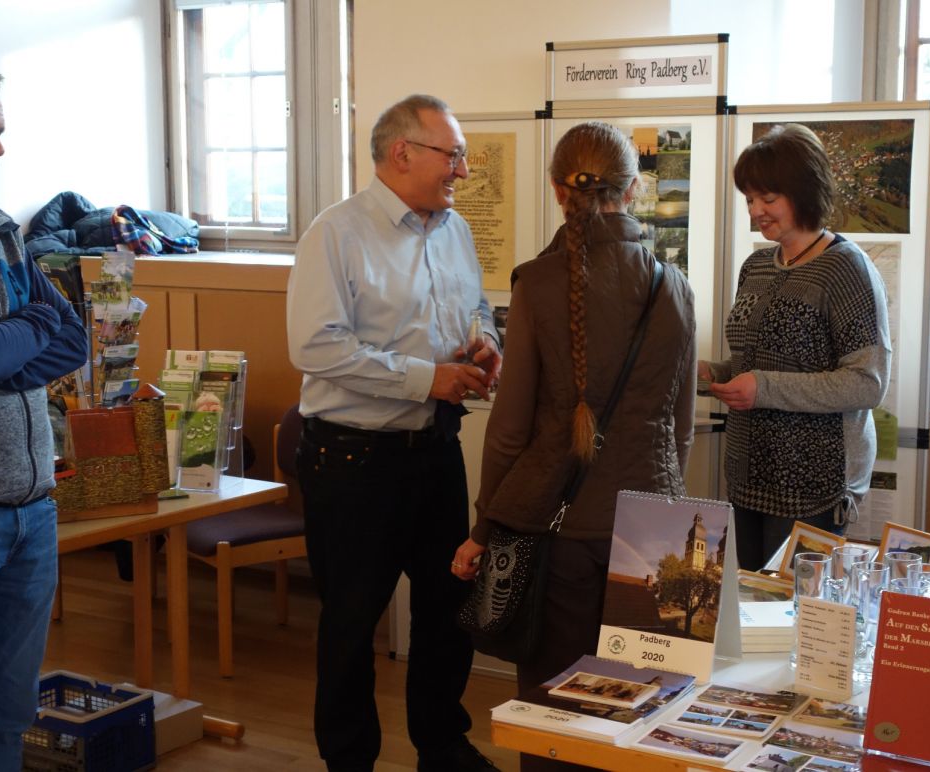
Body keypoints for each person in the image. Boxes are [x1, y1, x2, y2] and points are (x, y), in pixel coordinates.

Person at [452, 121, 696, 772]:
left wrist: (483, 528)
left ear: (559, 189)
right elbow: (681, 426)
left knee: (557, 722)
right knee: (649, 718)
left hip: (558, 532)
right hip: (661, 535)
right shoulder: (675, 286)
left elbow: (509, 431)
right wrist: (664, 508)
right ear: (634, 190)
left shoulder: (537, 282)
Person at [286, 94, 502, 772]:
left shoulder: (455, 231)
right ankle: (350, 762)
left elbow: (475, 308)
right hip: (353, 462)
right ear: (402, 152)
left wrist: (485, 344)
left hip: (435, 452)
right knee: (352, 624)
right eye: (453, 154)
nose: (463, 171)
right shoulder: (336, 233)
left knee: (450, 606)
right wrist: (425, 378)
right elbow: (315, 347)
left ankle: (441, 745)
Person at [0, 59, 88, 771]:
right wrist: (18, 336)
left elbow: (70, 336)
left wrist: (9, 343)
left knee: (7, 714)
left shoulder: (3, 228)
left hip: (30, 510)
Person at [700, 123, 891, 571]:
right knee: (749, 616)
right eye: (749, 199)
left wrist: (762, 388)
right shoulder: (757, 267)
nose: (756, 212)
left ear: (804, 192)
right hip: (749, 477)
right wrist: (716, 373)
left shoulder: (846, 269)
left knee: (795, 625)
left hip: (814, 486)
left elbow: (866, 383)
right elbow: (756, 363)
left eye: (768, 199)